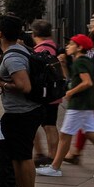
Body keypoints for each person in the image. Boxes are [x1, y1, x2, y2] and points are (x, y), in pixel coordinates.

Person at [0, 15, 45, 187]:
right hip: (20, 112)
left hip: (23, 113)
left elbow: (24, 85)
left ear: (0, 33)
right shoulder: (19, 50)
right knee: (18, 156)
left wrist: (0, 83)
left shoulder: (13, 57)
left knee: (23, 157)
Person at [41, 34, 94, 177]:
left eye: (71, 44)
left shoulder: (80, 62)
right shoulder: (84, 61)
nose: (68, 47)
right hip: (85, 104)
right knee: (92, 134)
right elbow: (74, 78)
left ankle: (55, 167)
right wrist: (63, 65)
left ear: (80, 47)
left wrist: (70, 93)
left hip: (78, 104)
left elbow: (86, 82)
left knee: (65, 135)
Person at [31, 20, 62, 164]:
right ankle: (50, 155)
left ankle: (49, 156)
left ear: (34, 33)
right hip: (54, 92)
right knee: (50, 124)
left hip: (44, 93)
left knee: (45, 125)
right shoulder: (54, 46)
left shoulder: (40, 49)